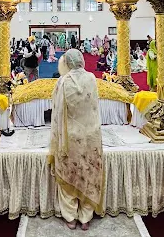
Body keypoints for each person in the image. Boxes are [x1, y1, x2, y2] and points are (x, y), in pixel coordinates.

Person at [48, 49, 104, 230]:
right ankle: (86, 217)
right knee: (88, 173)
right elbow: (94, 106)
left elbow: (56, 111)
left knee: (69, 173)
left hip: (69, 138)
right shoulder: (91, 79)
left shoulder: (63, 81)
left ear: (67, 63)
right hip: (90, 135)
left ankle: (70, 217)